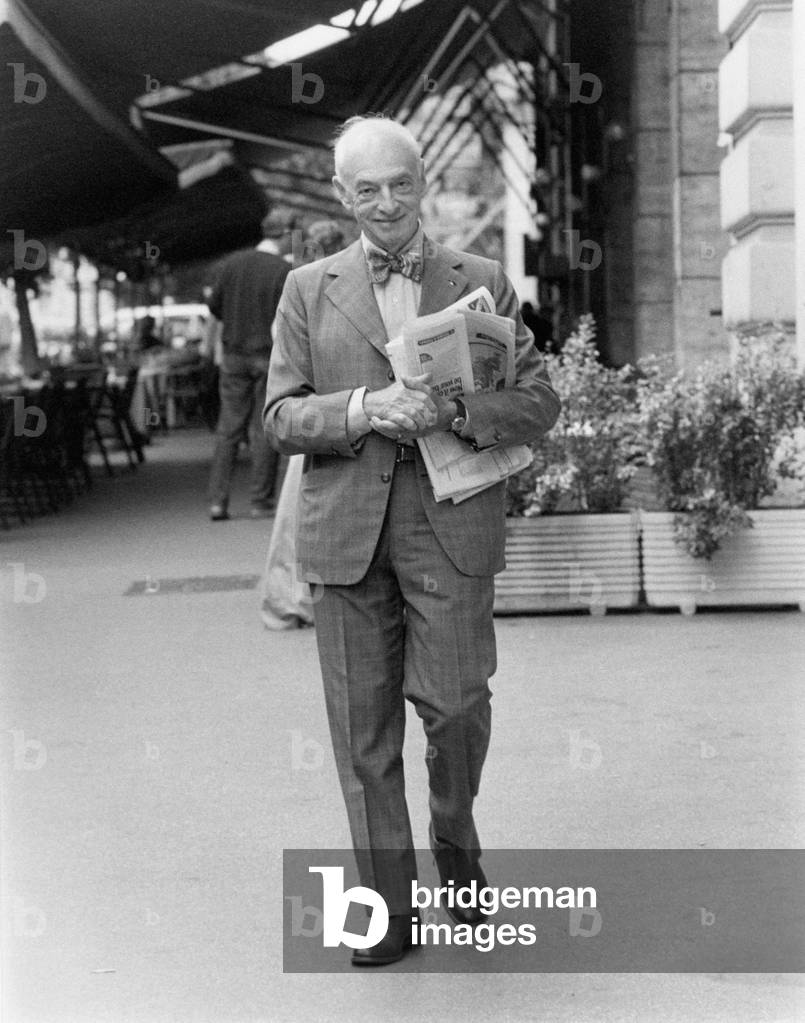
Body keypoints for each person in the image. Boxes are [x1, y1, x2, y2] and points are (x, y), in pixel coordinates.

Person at [264, 116, 560, 966]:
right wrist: (364, 408)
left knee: (458, 708)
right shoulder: (306, 288)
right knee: (363, 732)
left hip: (450, 525)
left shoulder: (482, 282)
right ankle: (389, 907)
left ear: (422, 182)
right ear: (342, 195)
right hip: (345, 534)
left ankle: (454, 846)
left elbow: (539, 400)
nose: (386, 202)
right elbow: (279, 416)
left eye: (399, 184)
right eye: (367, 189)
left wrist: (455, 408)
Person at [260, 220, 346, 630]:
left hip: (311, 414)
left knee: (298, 516)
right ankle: (315, 598)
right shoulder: (330, 290)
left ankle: (296, 597)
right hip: (331, 414)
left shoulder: (297, 292)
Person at [206, 208, 295, 521]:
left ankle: (218, 502)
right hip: (267, 356)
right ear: (285, 233)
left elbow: (214, 306)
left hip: (233, 356)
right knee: (263, 428)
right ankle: (260, 501)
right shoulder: (283, 270)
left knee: (228, 428)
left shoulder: (232, 264)